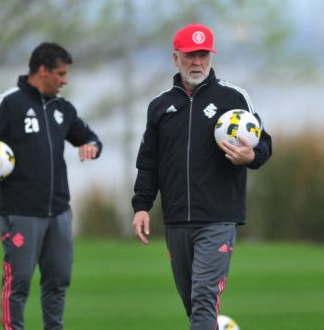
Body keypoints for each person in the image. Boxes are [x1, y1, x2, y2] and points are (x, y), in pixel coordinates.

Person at [131, 23, 272, 330]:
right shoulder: (160, 107)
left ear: (211, 56)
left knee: (204, 302)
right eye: (190, 55)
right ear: (175, 58)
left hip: (218, 219)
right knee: (194, 307)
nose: (197, 62)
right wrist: (141, 206)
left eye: (203, 54)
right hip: (177, 220)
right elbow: (148, 162)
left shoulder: (233, 98)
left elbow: (264, 144)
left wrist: (251, 156)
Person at [0, 42, 102, 330]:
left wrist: (91, 146)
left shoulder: (63, 109)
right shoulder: (9, 103)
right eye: (61, 74)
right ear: (42, 70)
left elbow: (90, 137)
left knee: (58, 280)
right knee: (19, 282)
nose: (65, 80)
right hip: (21, 212)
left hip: (60, 212)